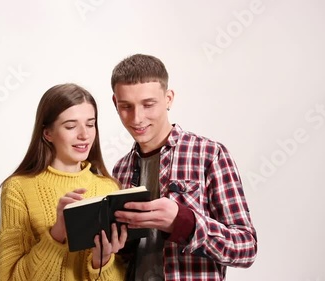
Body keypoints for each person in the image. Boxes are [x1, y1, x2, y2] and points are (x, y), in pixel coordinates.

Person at [110, 54, 258, 281]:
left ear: (168, 98)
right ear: (115, 103)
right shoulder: (120, 169)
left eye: (148, 104)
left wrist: (183, 223)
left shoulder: (209, 154)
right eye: (126, 106)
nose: (137, 118)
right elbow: (126, 258)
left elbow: (246, 248)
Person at [0, 83, 127, 281]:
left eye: (90, 124)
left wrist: (102, 261)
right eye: (71, 126)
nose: (84, 134)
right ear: (47, 133)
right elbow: (8, 277)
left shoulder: (109, 187)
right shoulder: (18, 188)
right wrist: (57, 233)